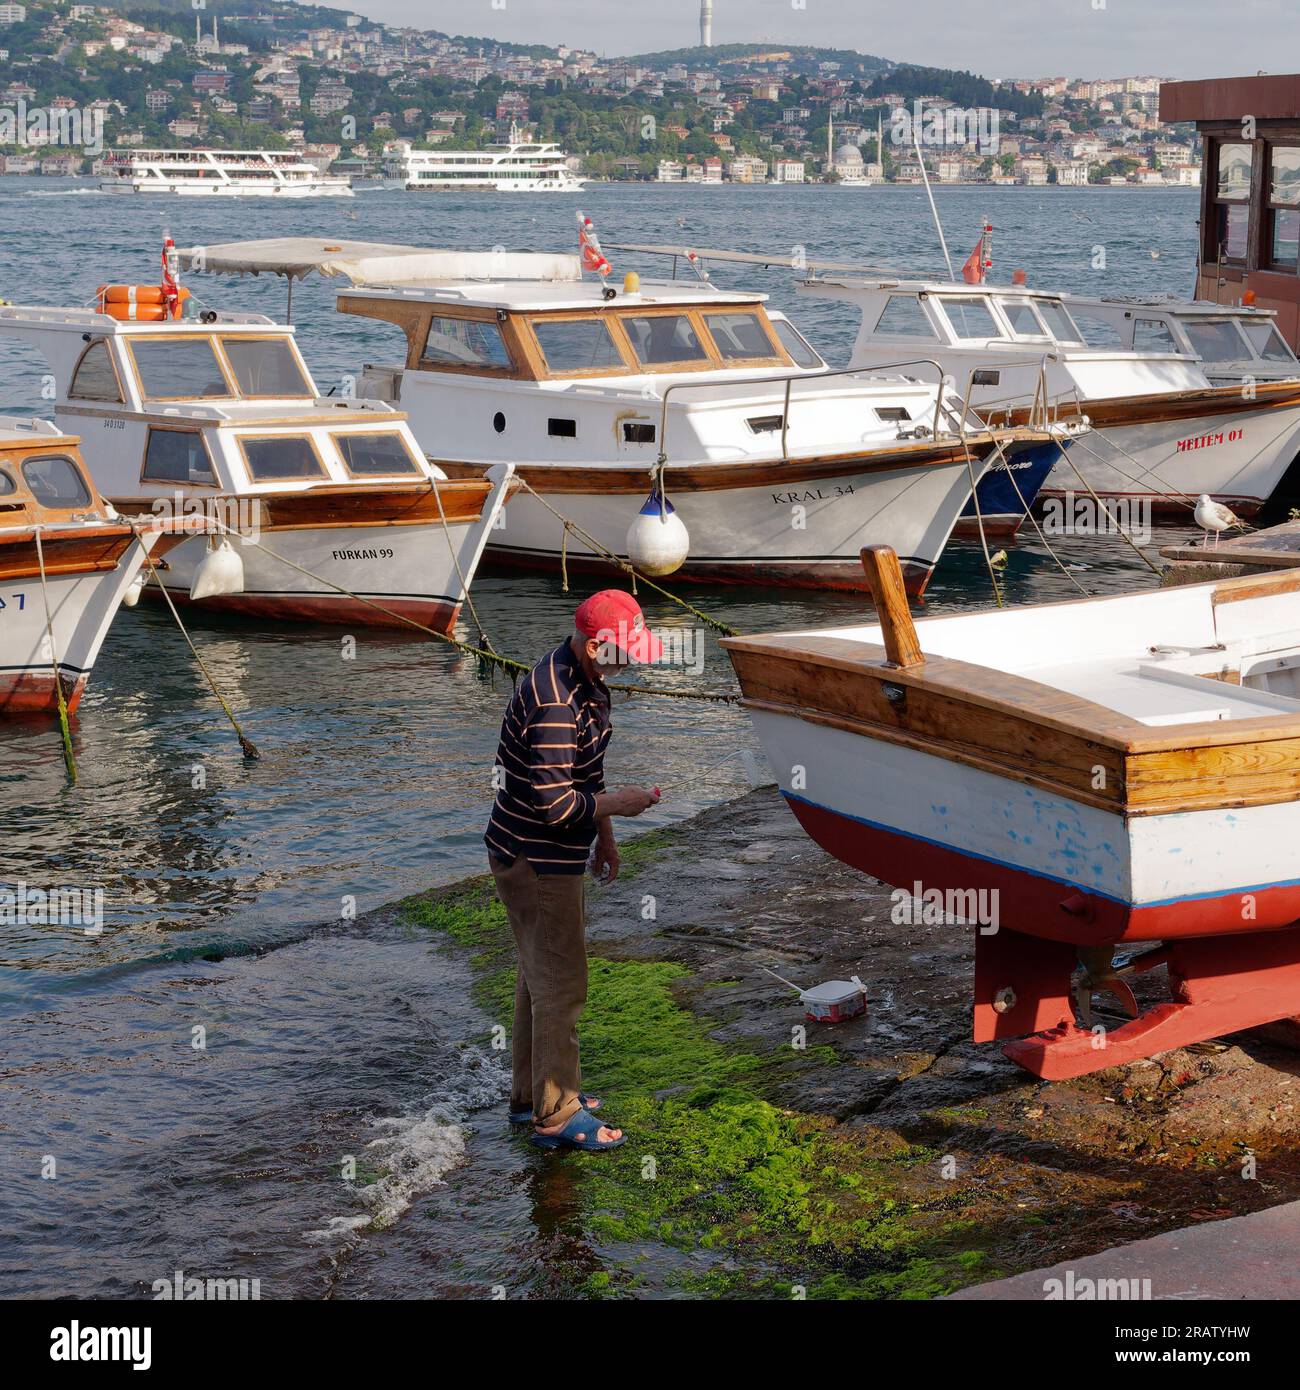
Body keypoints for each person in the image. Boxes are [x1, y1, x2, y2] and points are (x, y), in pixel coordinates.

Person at [485, 591, 662, 1153]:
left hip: (538, 851)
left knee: (538, 976)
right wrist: (624, 805)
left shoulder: (584, 678)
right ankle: (557, 1113)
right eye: (623, 651)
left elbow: (589, 772)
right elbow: (558, 805)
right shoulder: (557, 700)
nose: (630, 661)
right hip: (536, 857)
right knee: (562, 983)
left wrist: (604, 837)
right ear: (594, 645)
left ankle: (530, 1096)